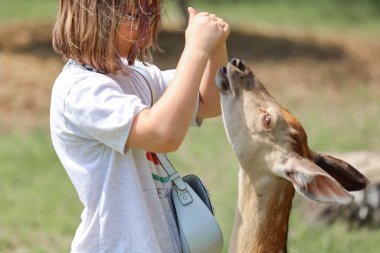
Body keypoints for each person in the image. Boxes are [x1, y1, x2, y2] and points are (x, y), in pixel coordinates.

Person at [50, 0, 229, 252]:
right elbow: (163, 134)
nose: (144, 27)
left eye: (148, 16)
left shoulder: (138, 74)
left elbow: (209, 102)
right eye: (133, 16)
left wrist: (215, 49)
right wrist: (196, 49)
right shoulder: (78, 90)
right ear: (94, 17)